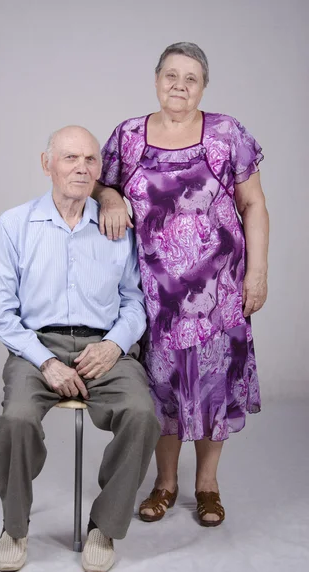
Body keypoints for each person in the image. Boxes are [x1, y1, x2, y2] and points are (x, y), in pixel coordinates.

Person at [94, 42, 269, 526]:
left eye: (191, 78)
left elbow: (254, 205)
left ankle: (207, 485)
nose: (179, 86)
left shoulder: (226, 134)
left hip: (221, 292)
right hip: (157, 295)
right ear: (156, 80)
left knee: (215, 385)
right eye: (171, 75)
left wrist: (257, 272)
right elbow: (99, 181)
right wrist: (110, 198)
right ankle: (164, 483)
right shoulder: (128, 136)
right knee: (161, 389)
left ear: (204, 87)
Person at [0, 126, 160, 572]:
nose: (81, 168)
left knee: (143, 414)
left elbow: (135, 301)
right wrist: (44, 360)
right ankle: (14, 525)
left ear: (100, 170)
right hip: (35, 345)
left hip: (103, 344)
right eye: (69, 158)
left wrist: (115, 344)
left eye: (90, 160)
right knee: (15, 420)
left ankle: (105, 525)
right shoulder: (14, 224)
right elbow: (1, 313)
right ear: (47, 165)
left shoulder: (116, 224)